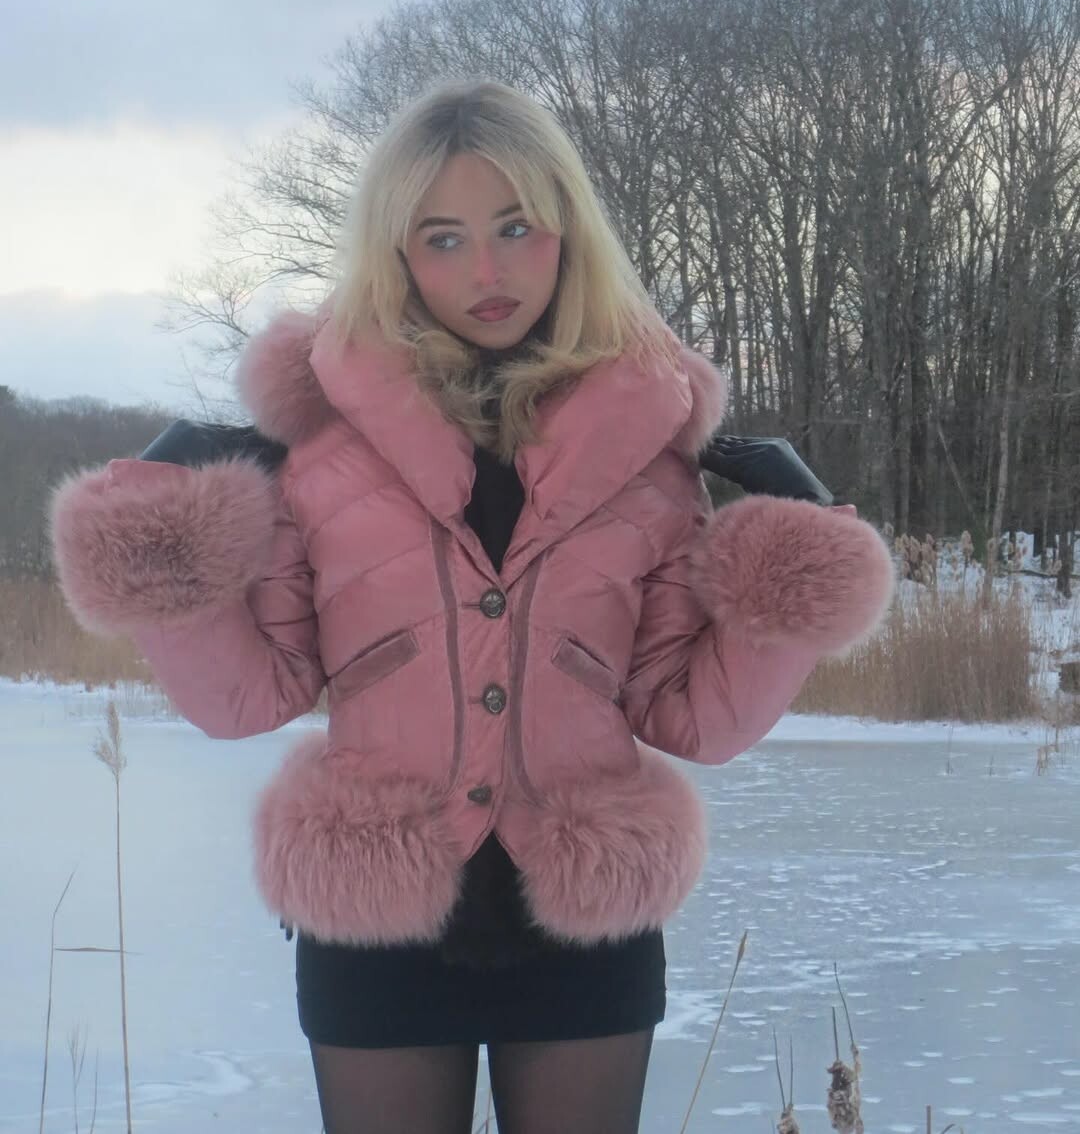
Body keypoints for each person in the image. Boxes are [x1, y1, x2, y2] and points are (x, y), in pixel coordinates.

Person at [49, 79, 894, 1134]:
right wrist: (157, 538)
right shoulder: (321, 443)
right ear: (397, 254)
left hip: (585, 916)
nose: (486, 271)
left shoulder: (651, 447)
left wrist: (796, 564)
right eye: (442, 238)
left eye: (515, 227)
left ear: (567, 230)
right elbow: (244, 697)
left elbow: (694, 717)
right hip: (375, 912)